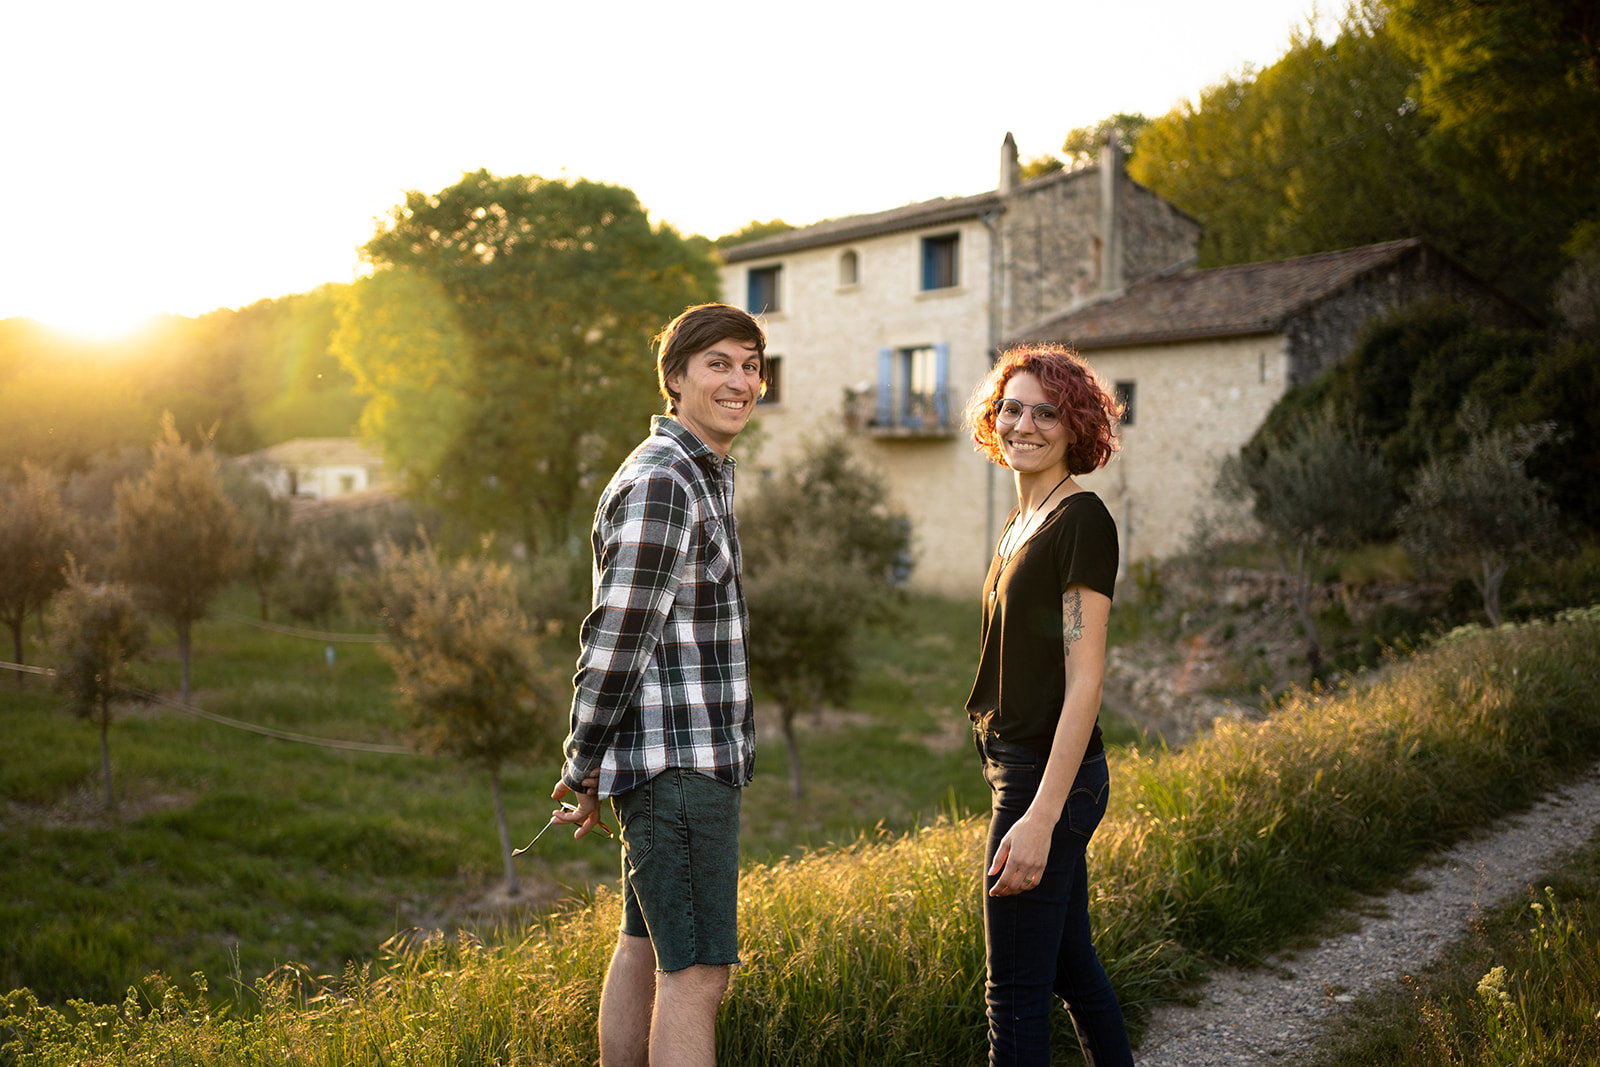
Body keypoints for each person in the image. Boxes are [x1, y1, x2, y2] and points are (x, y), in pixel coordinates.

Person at [548, 303, 765, 1067]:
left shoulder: (694, 472)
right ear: (675, 378)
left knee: (644, 949)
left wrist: (596, 760)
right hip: (682, 768)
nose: (740, 381)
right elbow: (617, 634)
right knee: (697, 974)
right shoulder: (667, 479)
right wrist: (582, 760)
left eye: (750, 365)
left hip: (673, 762)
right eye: (719, 363)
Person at [962, 343, 1135, 1067]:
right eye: (1011, 407)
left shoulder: (1080, 521)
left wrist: (1040, 816)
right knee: (1067, 965)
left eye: (1045, 411)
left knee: (1015, 992)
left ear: (1075, 428)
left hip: (1047, 779)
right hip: (1019, 767)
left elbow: (1085, 678)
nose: (1023, 424)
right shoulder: (1019, 522)